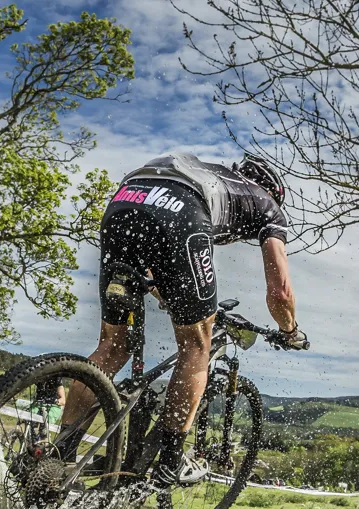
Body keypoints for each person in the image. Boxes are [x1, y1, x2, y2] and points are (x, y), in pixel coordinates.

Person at [60, 151, 306, 487]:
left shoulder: (212, 174)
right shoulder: (268, 206)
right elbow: (280, 292)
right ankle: (170, 463)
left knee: (113, 346)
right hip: (182, 210)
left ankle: (60, 456)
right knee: (195, 347)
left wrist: (173, 298)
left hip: (126, 199)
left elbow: (157, 259)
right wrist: (289, 331)